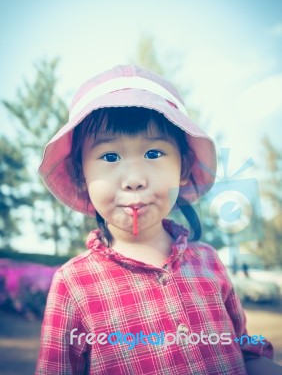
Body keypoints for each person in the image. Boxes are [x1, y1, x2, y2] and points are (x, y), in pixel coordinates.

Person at [35, 65, 281, 374]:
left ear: (183, 165)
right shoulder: (73, 284)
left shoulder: (209, 263)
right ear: (80, 174)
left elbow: (245, 353)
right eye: (110, 157)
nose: (135, 179)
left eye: (154, 153)